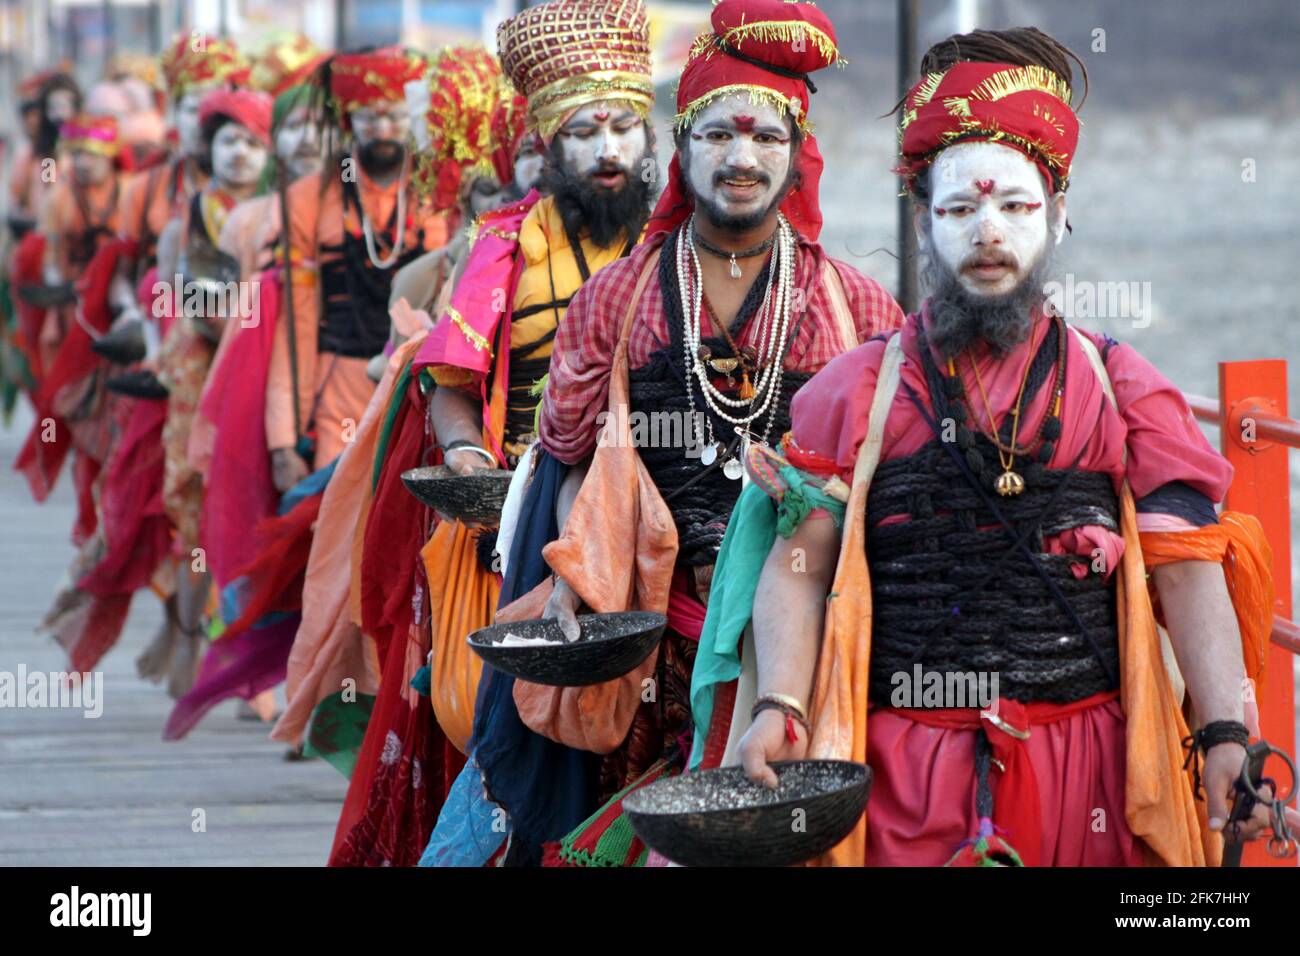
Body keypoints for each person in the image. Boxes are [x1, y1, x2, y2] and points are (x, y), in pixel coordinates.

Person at [716, 26, 1287, 867]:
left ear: (1059, 214)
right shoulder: (855, 393)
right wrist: (781, 707)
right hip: (903, 774)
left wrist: (1229, 738)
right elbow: (800, 567)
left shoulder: (1124, 390)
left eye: (1016, 207)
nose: (988, 233)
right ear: (923, 225)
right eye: (958, 209)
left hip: (1090, 771)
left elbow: (1188, 567)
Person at [450, 0, 903, 867]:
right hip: (650, 642)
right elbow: (571, 466)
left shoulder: (861, 311)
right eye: (719, 135)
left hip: (799, 650)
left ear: (799, 156)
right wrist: (570, 585)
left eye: (768, 138)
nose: (741, 159)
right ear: (682, 150)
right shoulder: (614, 303)